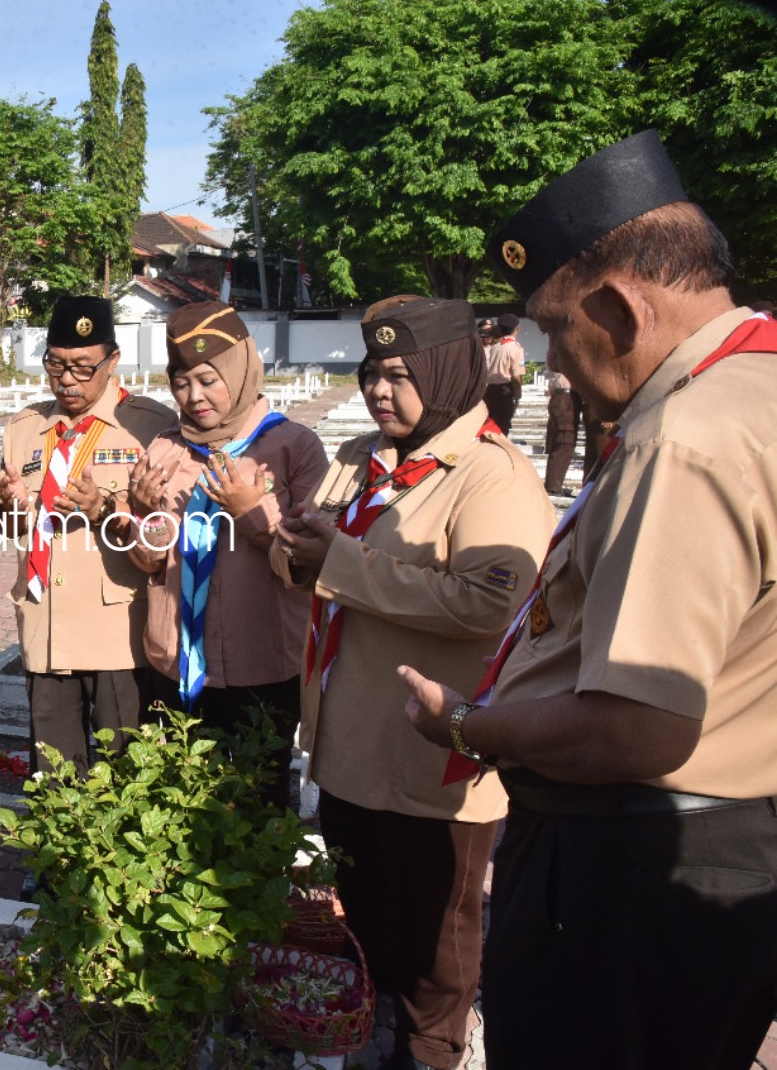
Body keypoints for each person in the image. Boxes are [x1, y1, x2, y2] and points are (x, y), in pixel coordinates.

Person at [400, 130, 777, 1070]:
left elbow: (636, 728)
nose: (554, 364)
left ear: (617, 305)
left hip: (627, 863)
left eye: (557, 329)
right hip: (719, 846)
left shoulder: (683, 438)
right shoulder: (753, 388)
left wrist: (468, 727)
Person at [274, 296, 552, 1070]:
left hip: (429, 754)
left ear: (446, 373)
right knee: (367, 922)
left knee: (438, 944)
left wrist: (339, 562)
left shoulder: (489, 477)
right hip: (347, 746)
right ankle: (378, 1035)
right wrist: (294, 549)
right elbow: (309, 559)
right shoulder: (359, 457)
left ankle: (433, 1055)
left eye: (398, 375)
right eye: (369, 373)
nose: (377, 391)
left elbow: (493, 602)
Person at [124, 302, 327, 813]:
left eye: (209, 379)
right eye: (181, 382)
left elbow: (309, 562)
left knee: (260, 802)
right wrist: (144, 519)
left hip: (264, 663)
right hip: (178, 661)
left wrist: (252, 511)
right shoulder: (167, 448)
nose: (195, 398)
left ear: (238, 371)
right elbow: (149, 561)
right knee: (178, 802)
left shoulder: (293, 448)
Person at [0, 295, 174, 773]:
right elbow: (16, 524)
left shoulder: (151, 428)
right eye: (55, 366)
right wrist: (7, 507)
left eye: (82, 366)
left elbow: (162, 535)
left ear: (112, 360)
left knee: (127, 773)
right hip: (45, 626)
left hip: (116, 633)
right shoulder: (25, 428)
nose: (68, 380)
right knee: (54, 773)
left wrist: (104, 508)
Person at [481, 313, 524, 433]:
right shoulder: (515, 348)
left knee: (490, 426)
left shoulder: (495, 347)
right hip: (505, 391)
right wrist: (517, 396)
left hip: (490, 390)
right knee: (502, 427)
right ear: (516, 329)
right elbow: (516, 377)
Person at [541, 365, 580, 495]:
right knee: (564, 441)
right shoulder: (563, 352)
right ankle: (553, 486)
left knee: (562, 441)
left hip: (562, 397)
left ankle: (554, 484)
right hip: (565, 397)